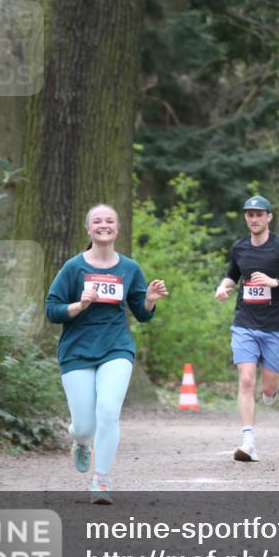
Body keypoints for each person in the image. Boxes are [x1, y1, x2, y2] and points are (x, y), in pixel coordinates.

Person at [46, 204, 168, 504]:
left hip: (116, 348)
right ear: (88, 228)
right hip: (77, 350)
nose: (104, 225)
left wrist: (150, 300)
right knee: (85, 425)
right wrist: (79, 305)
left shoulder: (130, 268)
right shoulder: (73, 267)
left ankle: (101, 479)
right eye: (97, 221)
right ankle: (80, 441)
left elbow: (142, 314)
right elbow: (52, 310)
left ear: (117, 227)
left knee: (108, 411)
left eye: (110, 221)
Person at [215, 195, 279, 462]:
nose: (254, 219)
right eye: (250, 214)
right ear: (246, 217)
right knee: (246, 379)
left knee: (268, 389)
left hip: (276, 326)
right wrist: (223, 287)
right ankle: (248, 442)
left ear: (269, 217)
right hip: (244, 323)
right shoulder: (239, 247)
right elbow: (232, 275)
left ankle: (272, 391)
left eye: (259, 214)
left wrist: (275, 282)